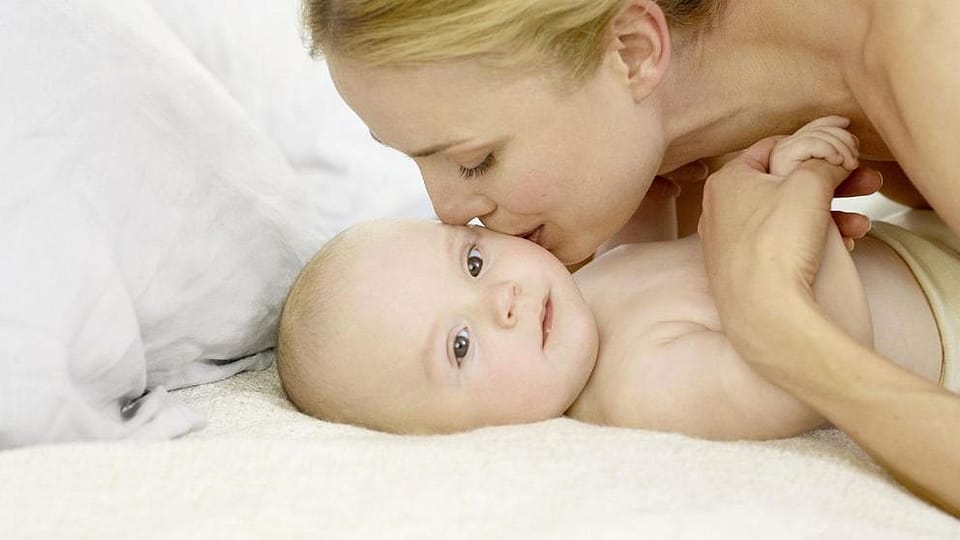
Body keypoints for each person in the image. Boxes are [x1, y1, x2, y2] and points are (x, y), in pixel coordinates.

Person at [301, 0, 960, 513]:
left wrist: (779, 325)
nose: (449, 211)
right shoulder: (670, 159)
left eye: (477, 159)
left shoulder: (933, 56)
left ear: (633, 50)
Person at [275, 119, 951, 443]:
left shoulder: (581, 294)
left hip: (922, 242)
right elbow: (803, 378)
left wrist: (654, 193)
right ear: (447, 436)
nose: (501, 302)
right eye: (459, 345)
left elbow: (654, 255)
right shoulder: (636, 391)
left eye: (473, 263)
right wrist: (802, 201)